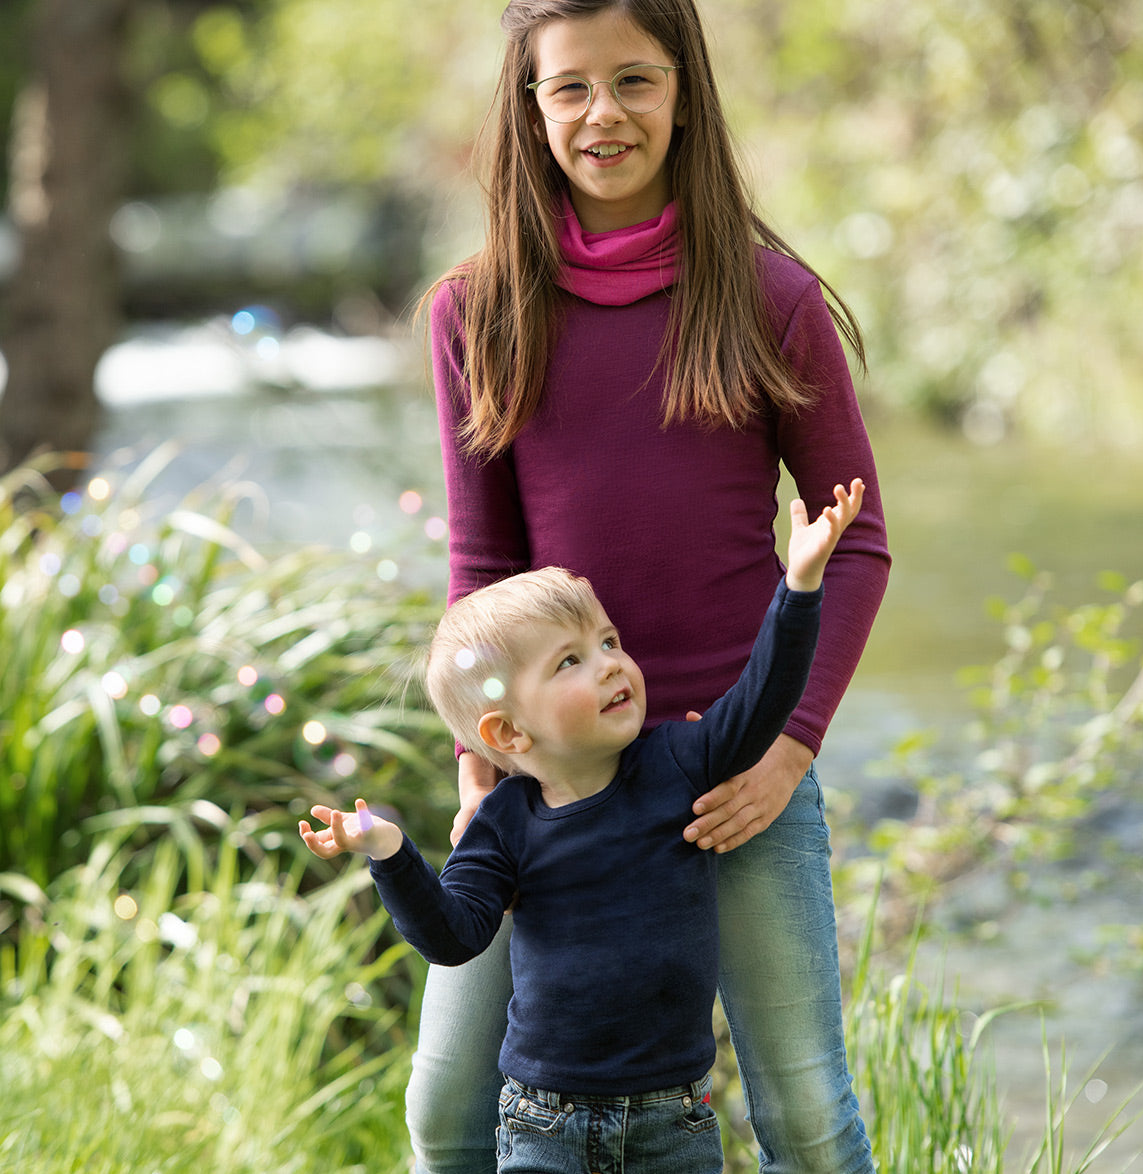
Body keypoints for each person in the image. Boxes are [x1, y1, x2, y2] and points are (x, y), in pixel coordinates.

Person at [414, 2, 891, 1171]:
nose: (603, 114)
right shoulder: (476, 311)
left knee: (805, 1119)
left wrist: (786, 753)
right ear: (529, 109)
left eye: (634, 80)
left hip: (733, 773)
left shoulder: (769, 299)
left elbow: (857, 539)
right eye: (569, 87)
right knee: (445, 1113)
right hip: (552, 782)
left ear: (684, 92)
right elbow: (482, 566)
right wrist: (484, 766)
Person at [299, 481, 866, 1174]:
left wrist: (799, 588)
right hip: (542, 1128)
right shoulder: (503, 823)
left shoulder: (677, 762)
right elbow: (454, 936)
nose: (612, 666)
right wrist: (390, 853)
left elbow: (761, 700)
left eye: (608, 641)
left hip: (674, 1123)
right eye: (572, 661)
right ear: (506, 731)